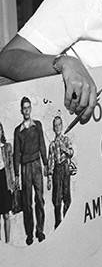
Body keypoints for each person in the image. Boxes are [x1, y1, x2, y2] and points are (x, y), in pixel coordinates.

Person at [14, 97, 48, 246]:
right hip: (25, 168)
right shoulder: (18, 131)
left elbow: (42, 145)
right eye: (24, 108)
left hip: (37, 165)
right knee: (27, 202)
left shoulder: (38, 125)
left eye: (28, 107)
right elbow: (16, 154)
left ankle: (40, 230)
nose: (26, 110)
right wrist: (16, 173)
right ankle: (29, 234)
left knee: (39, 199)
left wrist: (46, 164)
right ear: (21, 111)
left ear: (30, 109)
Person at [47, 116, 73, 229]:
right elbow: (50, 161)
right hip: (57, 170)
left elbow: (71, 152)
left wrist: (65, 149)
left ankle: (67, 222)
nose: (57, 127)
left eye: (59, 125)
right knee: (56, 199)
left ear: (62, 126)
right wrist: (49, 177)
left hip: (65, 168)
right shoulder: (52, 144)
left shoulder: (66, 140)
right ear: (53, 128)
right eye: (55, 125)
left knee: (67, 196)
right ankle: (58, 223)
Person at [0, 123, 14, 243]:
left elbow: (11, 167)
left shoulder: (7, 147)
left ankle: (7, 241)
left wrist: (13, 183)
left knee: (6, 214)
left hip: (4, 179)